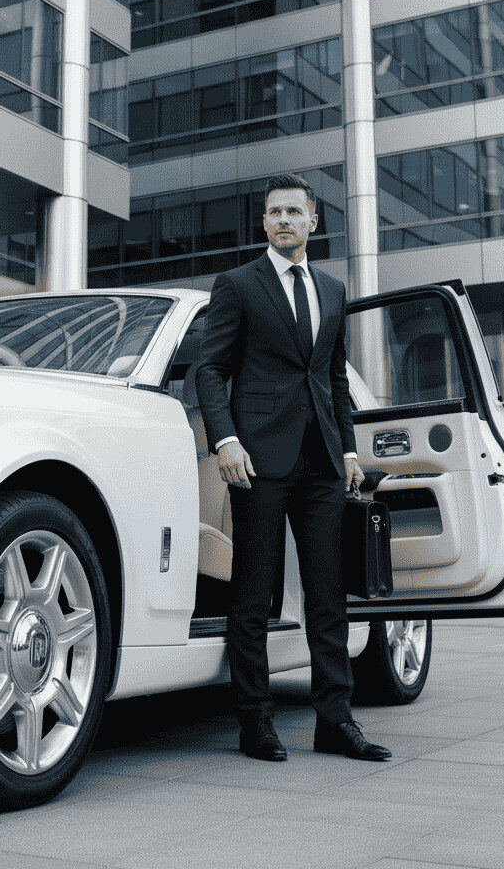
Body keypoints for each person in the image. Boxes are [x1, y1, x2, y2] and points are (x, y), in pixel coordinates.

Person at [194, 173, 392, 763]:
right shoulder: (237, 285)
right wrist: (226, 439)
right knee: (253, 593)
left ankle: (336, 721)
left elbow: (333, 378)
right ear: (264, 222)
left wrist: (349, 451)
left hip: (323, 461)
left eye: (294, 212)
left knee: (328, 596)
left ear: (312, 221)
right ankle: (255, 723)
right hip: (258, 460)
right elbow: (210, 369)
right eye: (274, 212)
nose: (284, 220)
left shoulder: (332, 290)